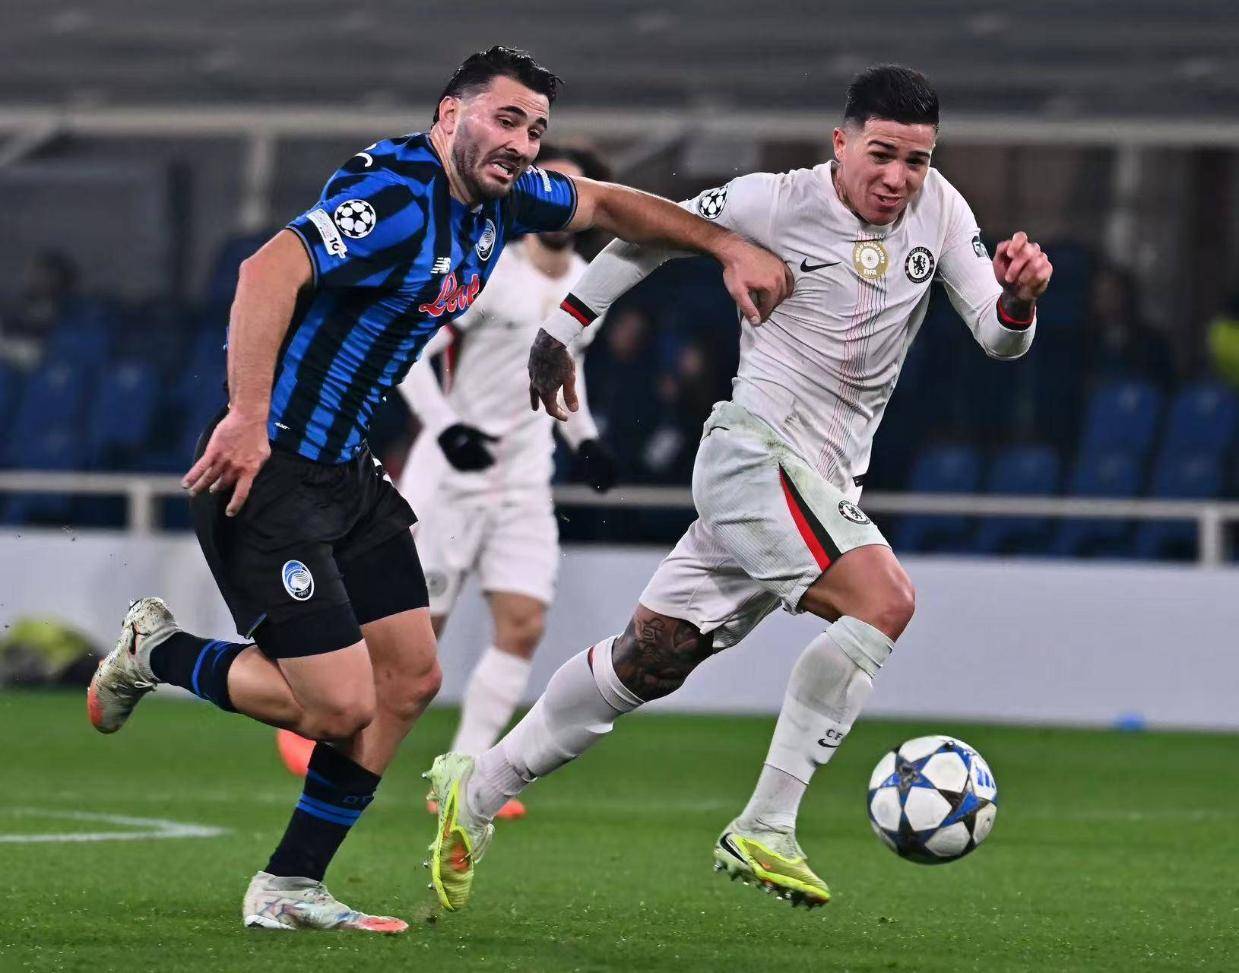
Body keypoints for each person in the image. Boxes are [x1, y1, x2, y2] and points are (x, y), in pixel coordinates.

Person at [84, 45, 792, 934]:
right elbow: (267, 269)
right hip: (271, 473)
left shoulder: (503, 198)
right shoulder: (396, 199)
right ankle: (159, 654)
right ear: (450, 115)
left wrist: (725, 244)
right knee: (339, 705)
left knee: (411, 677)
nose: (523, 143)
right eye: (506, 120)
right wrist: (248, 415)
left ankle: (292, 883)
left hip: (348, 473)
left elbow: (611, 205)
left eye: (535, 129)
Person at [423, 63, 1053, 913]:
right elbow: (648, 235)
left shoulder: (940, 210)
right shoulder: (774, 199)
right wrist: (562, 328)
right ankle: (766, 823)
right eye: (881, 154)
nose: (898, 177)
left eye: (916, 159)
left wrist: (1017, 301)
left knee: (649, 658)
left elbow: (996, 337)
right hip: (752, 452)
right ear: (840, 143)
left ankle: (476, 787)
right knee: (884, 601)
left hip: (820, 482)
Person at [274, 146, 618, 817]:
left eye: (575, 192)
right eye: (554, 186)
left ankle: (461, 777)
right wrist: (447, 430)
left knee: (523, 624)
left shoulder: (588, 286)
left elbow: (563, 374)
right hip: (453, 478)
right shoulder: (491, 272)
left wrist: (586, 440)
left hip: (524, 481)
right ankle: (311, 711)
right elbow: (412, 355)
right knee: (412, 634)